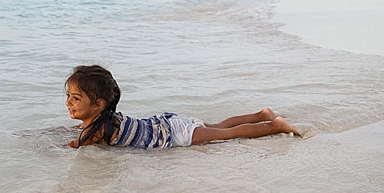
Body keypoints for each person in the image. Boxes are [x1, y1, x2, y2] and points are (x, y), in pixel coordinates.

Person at [64, 65, 300, 148]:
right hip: (170, 123)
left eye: (76, 98)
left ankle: (274, 126)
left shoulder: (95, 132)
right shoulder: (104, 120)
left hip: (176, 134)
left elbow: (74, 145)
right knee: (218, 126)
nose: (68, 103)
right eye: (68, 96)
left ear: (99, 104)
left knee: (229, 134)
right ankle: (261, 114)